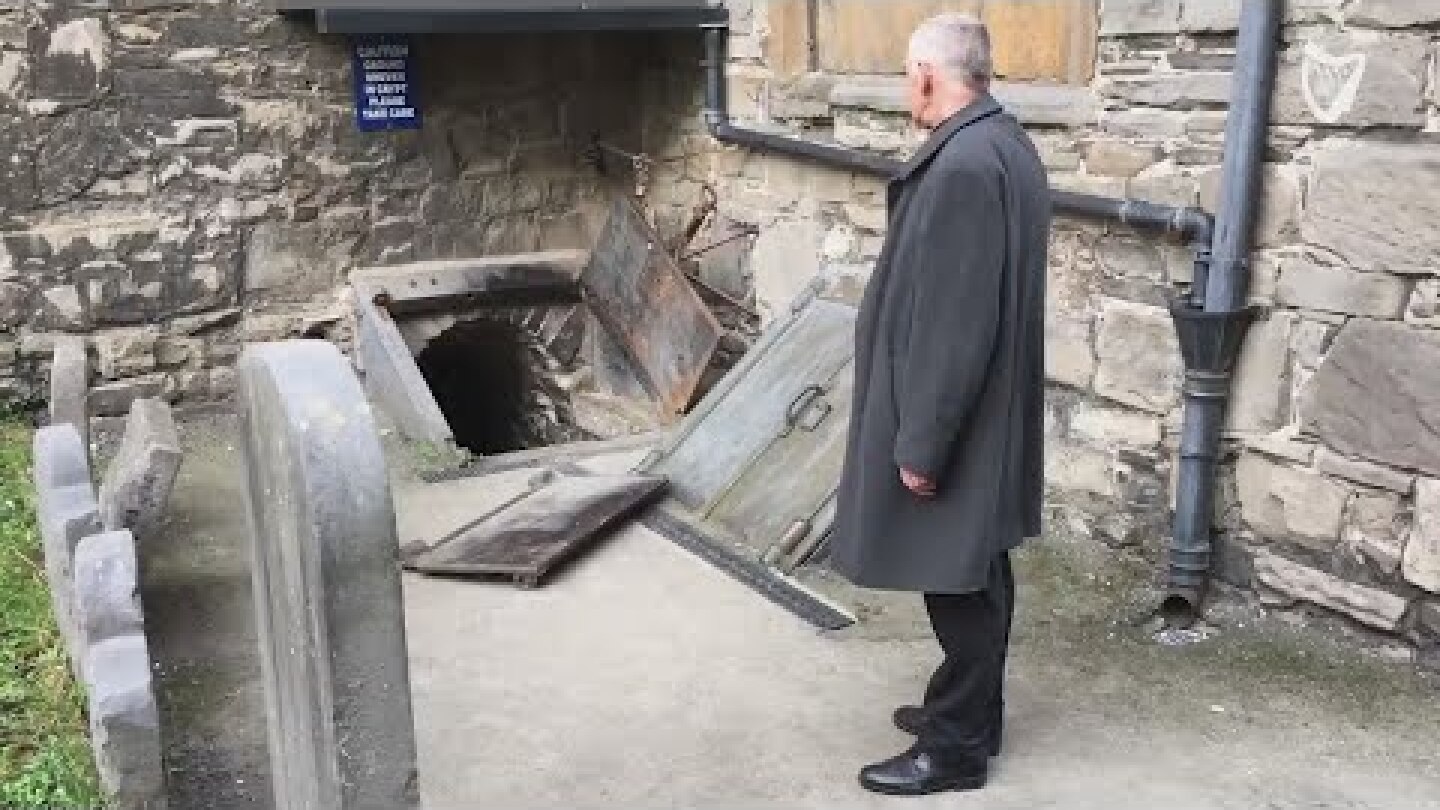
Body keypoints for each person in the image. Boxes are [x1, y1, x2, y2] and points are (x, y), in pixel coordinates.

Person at [826, 12, 1050, 797]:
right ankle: (970, 716)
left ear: (927, 73)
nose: (903, 87)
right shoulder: (1003, 144)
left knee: (956, 578)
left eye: (904, 73)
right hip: (983, 413)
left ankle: (955, 748)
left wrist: (924, 443)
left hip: (959, 419)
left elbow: (955, 323)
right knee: (976, 568)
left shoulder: (963, 166)